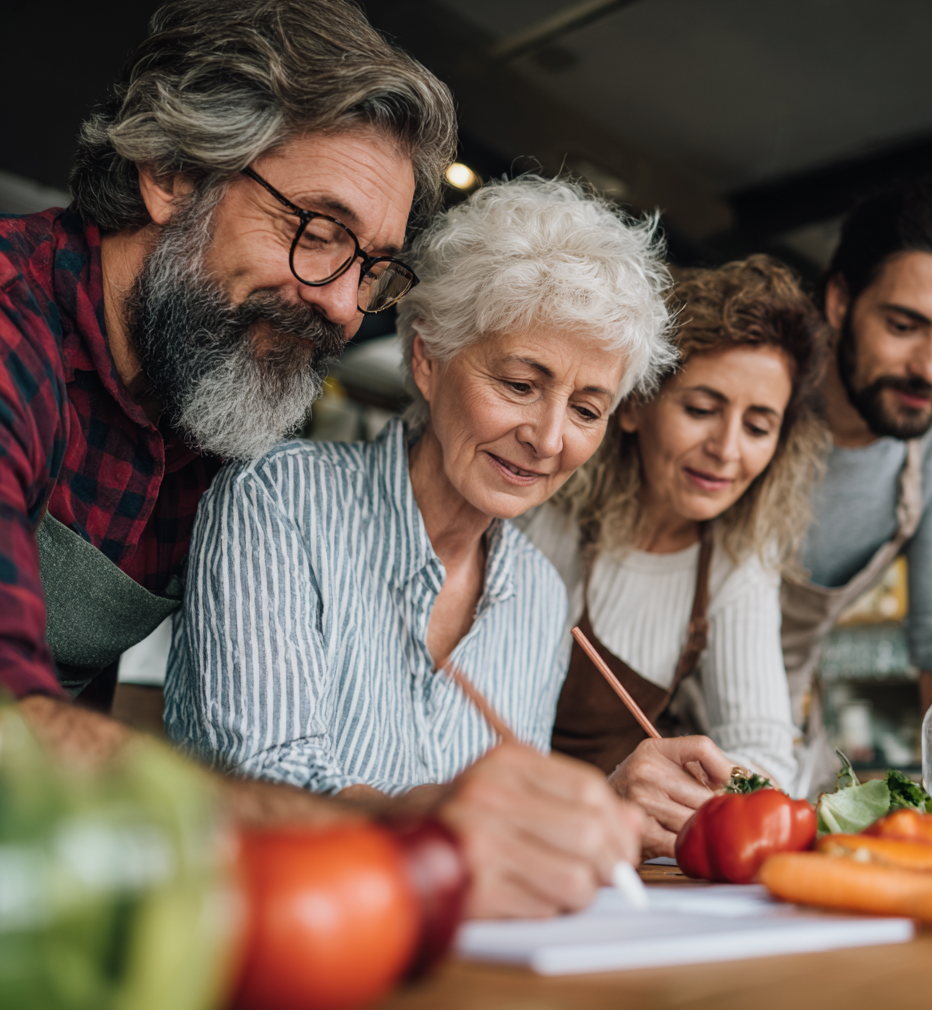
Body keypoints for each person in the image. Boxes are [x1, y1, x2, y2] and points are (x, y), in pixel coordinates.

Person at [0, 0, 639, 920]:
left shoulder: (206, 418)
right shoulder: (14, 335)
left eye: (371, 266)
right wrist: (407, 832)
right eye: (319, 231)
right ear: (173, 173)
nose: (343, 308)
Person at [165, 175, 675, 915]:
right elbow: (265, 789)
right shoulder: (279, 501)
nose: (550, 438)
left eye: (588, 408)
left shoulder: (537, 594)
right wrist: (447, 820)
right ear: (429, 359)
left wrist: (597, 808)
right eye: (520, 383)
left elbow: (501, 849)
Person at [521, 255, 828, 859]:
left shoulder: (738, 563)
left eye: (759, 425)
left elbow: (764, 761)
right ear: (633, 406)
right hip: (514, 838)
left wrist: (694, 799)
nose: (726, 450)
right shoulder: (544, 513)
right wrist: (606, 798)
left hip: (613, 861)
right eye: (701, 409)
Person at [781, 180, 932, 796]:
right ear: (839, 299)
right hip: (639, 702)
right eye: (905, 325)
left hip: (784, 724)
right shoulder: (759, 395)